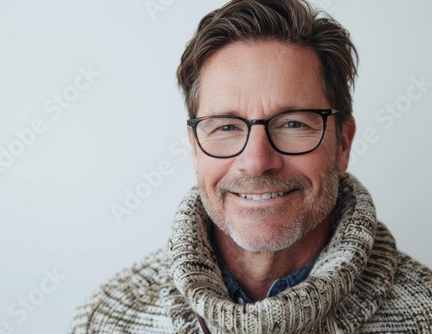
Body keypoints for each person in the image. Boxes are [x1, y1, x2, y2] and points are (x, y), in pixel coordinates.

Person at [69, 0, 432, 332]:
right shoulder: (106, 319)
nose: (257, 163)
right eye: (226, 127)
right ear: (195, 148)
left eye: (293, 124)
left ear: (343, 143)